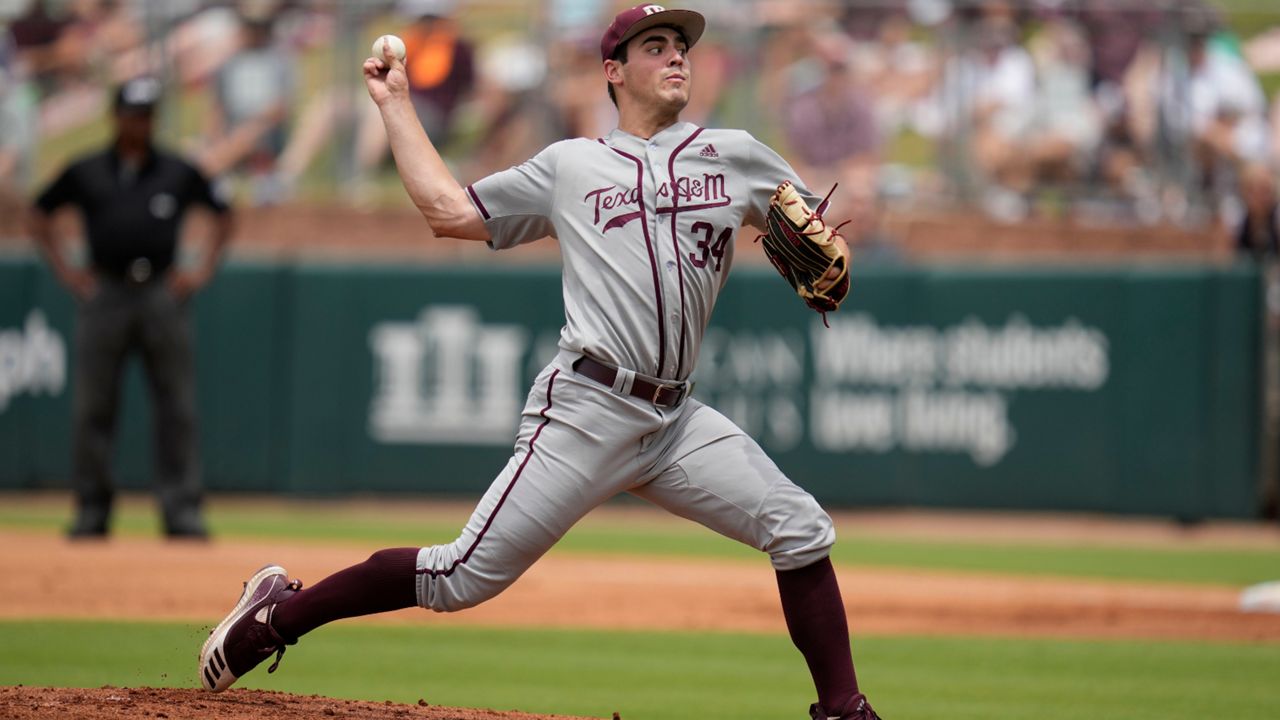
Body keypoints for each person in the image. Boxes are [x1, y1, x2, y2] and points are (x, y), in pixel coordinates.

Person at [199, 6, 880, 720]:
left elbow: (823, 242)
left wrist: (836, 256)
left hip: (674, 419)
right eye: (656, 46)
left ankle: (843, 708)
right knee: (459, 577)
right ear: (614, 71)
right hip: (587, 409)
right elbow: (446, 210)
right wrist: (396, 103)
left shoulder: (737, 156)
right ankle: (277, 616)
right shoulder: (571, 166)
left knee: (798, 526)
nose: (677, 55)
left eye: (682, 45)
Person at [28, 76, 234, 539]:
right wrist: (67, 269)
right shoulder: (87, 170)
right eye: (131, 114)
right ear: (116, 117)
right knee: (94, 405)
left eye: (146, 115)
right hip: (107, 291)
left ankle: (181, 510)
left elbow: (223, 211)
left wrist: (199, 269)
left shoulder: (178, 171)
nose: (138, 123)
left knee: (176, 405)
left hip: (161, 291)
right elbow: (40, 211)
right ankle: (92, 509)